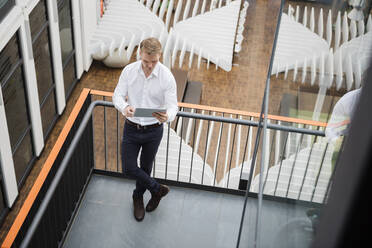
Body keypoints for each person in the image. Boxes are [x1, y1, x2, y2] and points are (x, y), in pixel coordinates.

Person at [113, 37, 178, 221]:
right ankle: (157, 190)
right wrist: (124, 107)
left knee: (146, 167)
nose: (150, 66)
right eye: (146, 61)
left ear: (160, 57)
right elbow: (117, 95)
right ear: (140, 54)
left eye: (154, 62)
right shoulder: (129, 71)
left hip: (154, 131)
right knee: (128, 167)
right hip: (131, 128)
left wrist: (168, 116)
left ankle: (138, 196)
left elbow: (173, 106)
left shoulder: (167, 77)